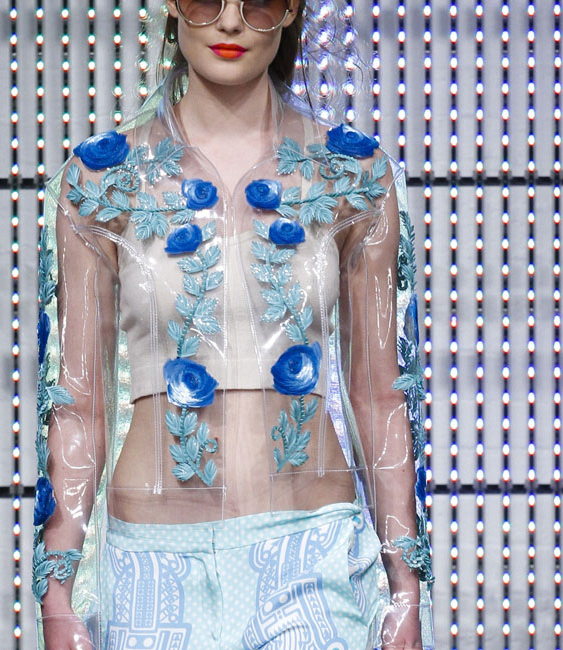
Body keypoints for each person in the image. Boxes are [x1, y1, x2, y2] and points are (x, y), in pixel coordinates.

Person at [33, 1, 434, 648]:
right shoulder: (102, 182)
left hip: (314, 557)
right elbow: (78, 404)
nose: (229, 22)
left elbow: (381, 394)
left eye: (258, 2)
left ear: (293, 8)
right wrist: (58, 597)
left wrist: (405, 588)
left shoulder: (354, 178)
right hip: (153, 566)